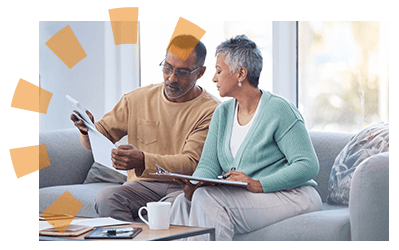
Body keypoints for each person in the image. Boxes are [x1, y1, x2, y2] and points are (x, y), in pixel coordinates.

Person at [170, 35, 322, 240]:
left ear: (241, 73)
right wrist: (194, 185)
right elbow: (208, 166)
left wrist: (257, 183)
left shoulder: (279, 109)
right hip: (251, 197)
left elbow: (307, 165)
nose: (214, 78)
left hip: (293, 195)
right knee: (182, 202)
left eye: (218, 71)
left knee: (208, 199)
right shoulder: (222, 114)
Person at [70, 35, 220, 222]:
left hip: (182, 187)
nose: (171, 78)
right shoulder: (136, 99)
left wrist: (143, 160)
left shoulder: (212, 110)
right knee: (106, 198)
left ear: (200, 72)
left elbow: (190, 164)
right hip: (141, 186)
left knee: (177, 208)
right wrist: (87, 130)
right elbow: (98, 138)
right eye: (167, 68)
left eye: (182, 72)